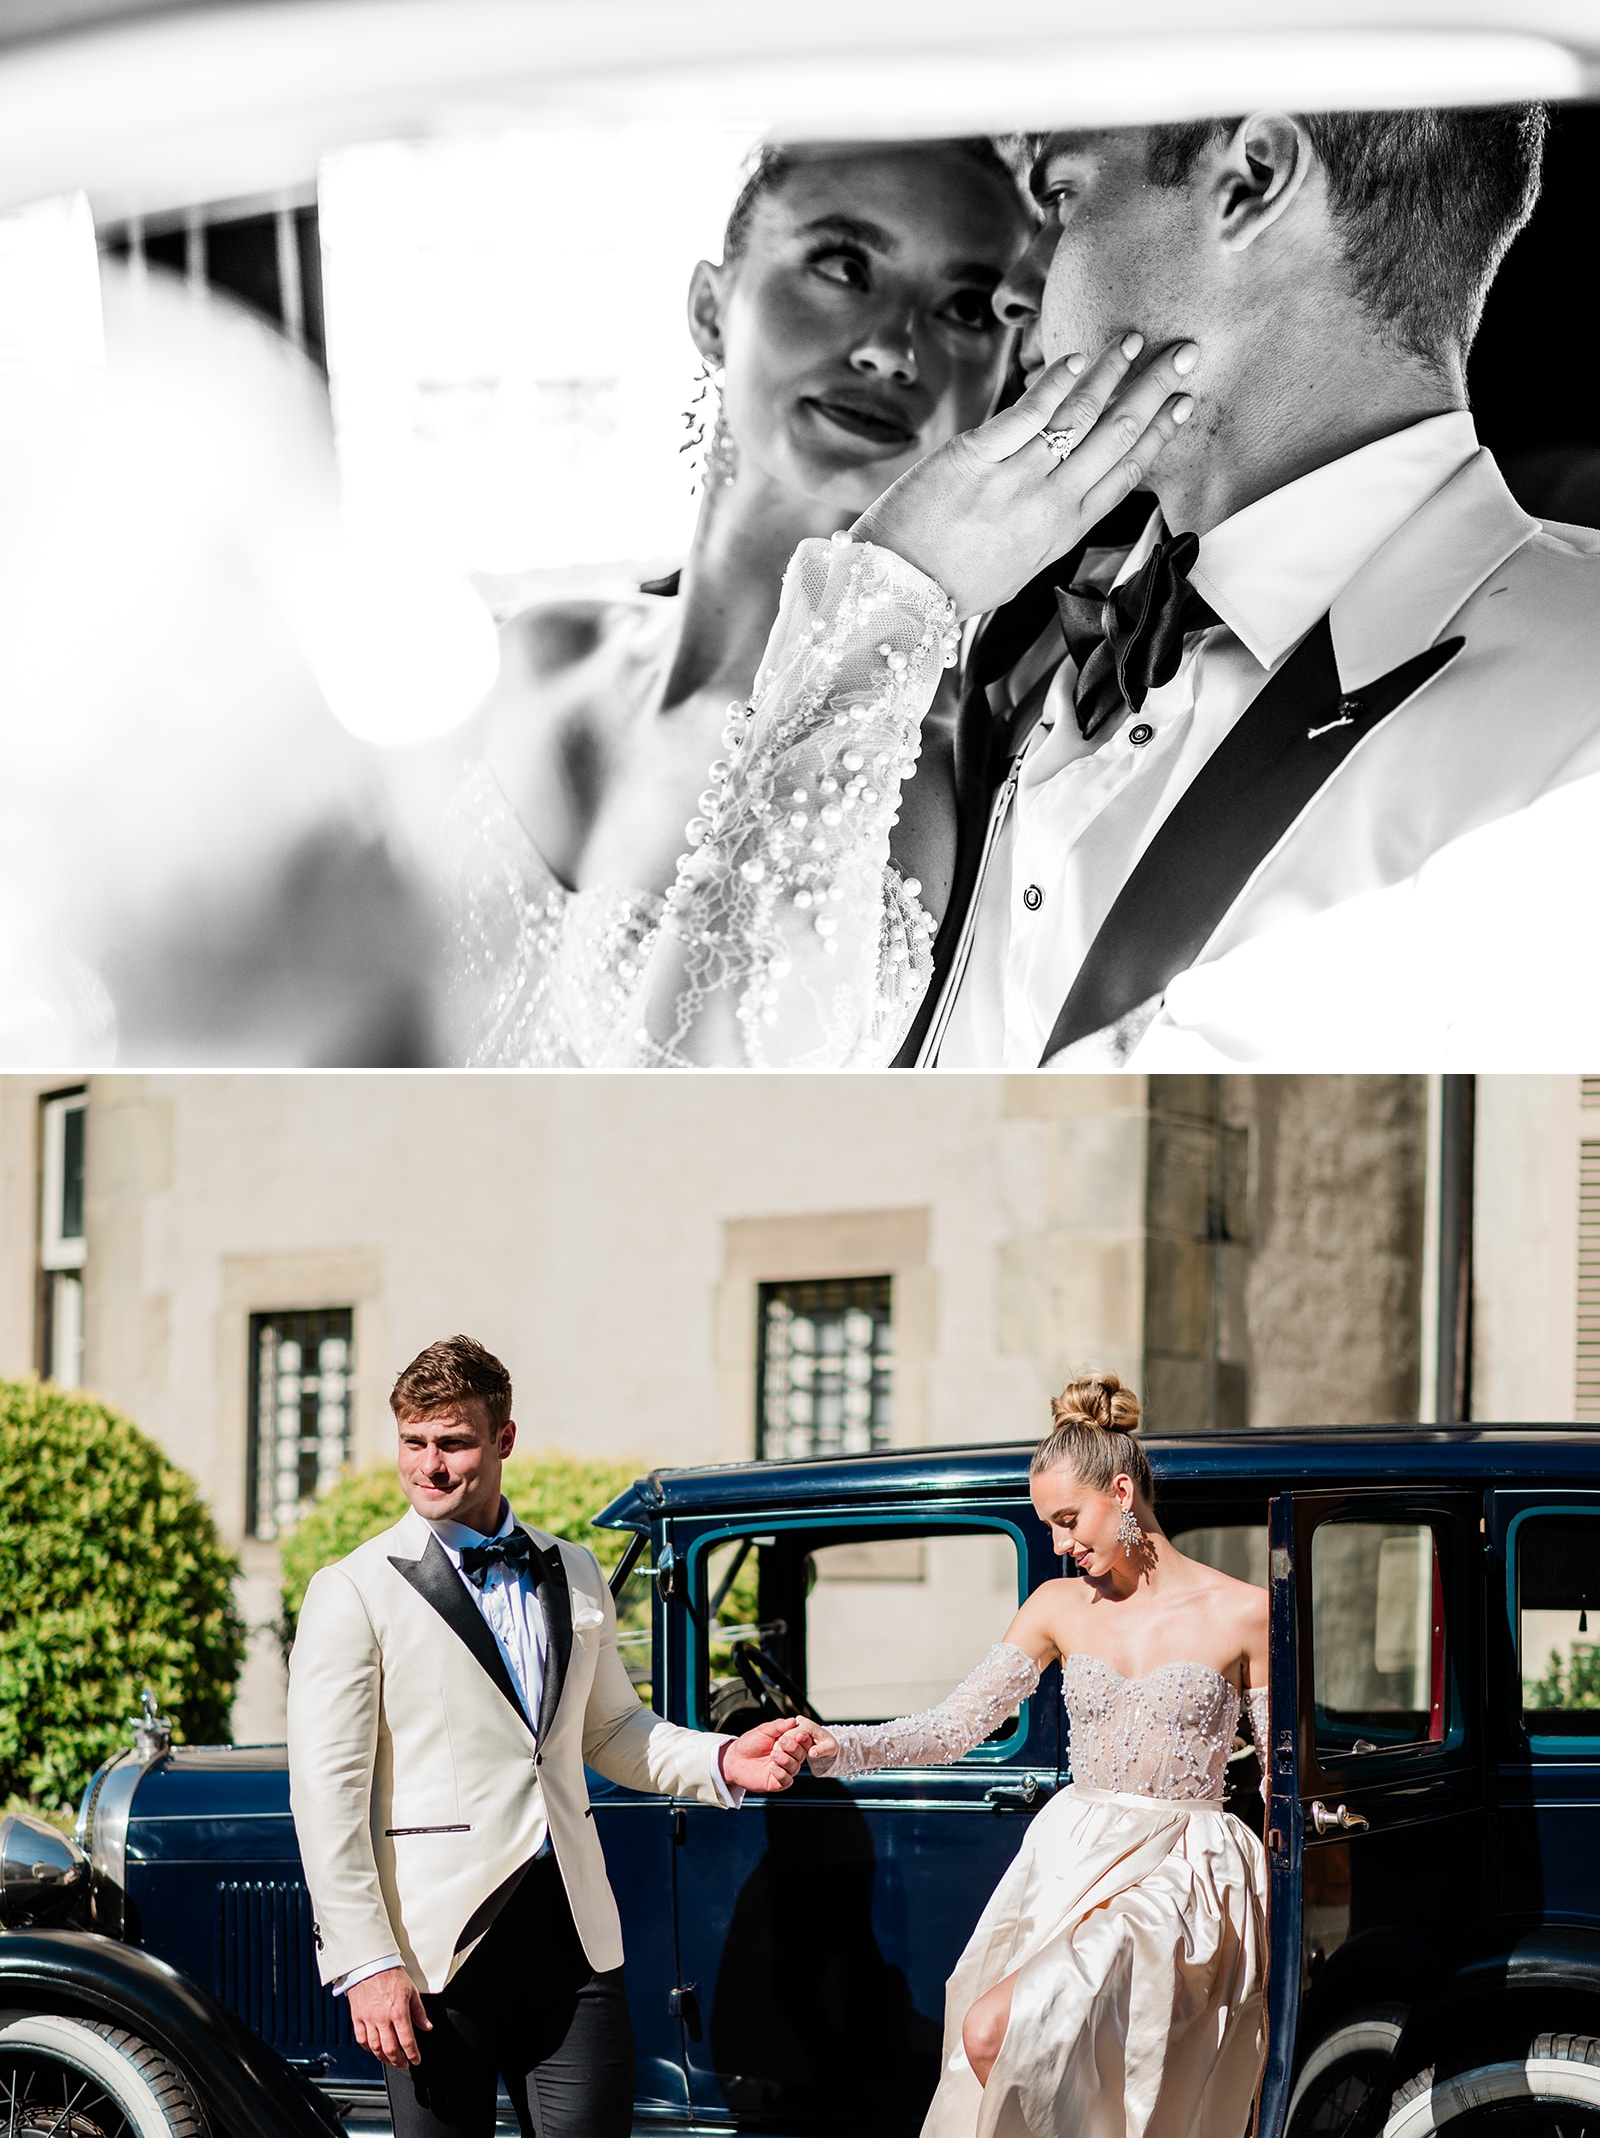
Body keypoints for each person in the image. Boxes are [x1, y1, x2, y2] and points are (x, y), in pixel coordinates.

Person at [640, 103, 1600, 1068]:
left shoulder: (1578, 720)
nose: (1015, 290)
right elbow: (731, 1085)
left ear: (1253, 181)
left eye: (1062, 198)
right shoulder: (999, 651)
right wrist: (889, 599)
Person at [444, 137, 1036, 1065]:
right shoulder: (533, 652)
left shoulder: (919, 774)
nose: (893, 350)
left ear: (1002, 374)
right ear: (710, 310)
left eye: (966, 308)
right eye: (845, 267)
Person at [286, 1335, 808, 2138]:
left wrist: (721, 1757)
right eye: (413, 1443)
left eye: (452, 1443)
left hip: (573, 1938)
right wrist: (367, 1962)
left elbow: (612, 1729)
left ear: (504, 1440)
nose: (429, 1466)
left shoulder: (573, 1569)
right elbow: (326, 1800)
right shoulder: (351, 1590)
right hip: (434, 1954)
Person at [792, 1373, 1269, 2138]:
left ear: (1121, 1491)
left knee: (998, 2032)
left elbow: (1283, 1775)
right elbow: (956, 1725)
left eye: (1068, 1520)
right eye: (1049, 1526)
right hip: (1069, 1859)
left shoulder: (1246, 1612)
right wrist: (838, 1744)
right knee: (1020, 2054)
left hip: (1182, 1875)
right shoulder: (1056, 1606)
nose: (1059, 1544)